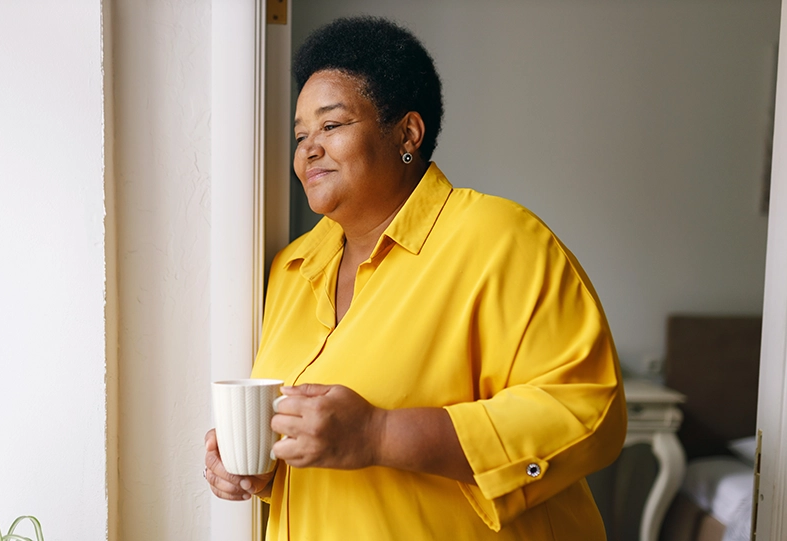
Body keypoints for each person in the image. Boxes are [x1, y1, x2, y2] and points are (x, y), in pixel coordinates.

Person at [204, 16, 626, 540]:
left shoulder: (498, 239)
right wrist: (265, 468)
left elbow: (588, 414)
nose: (309, 148)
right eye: (301, 134)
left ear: (407, 132)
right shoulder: (290, 269)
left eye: (331, 126)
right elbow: (326, 454)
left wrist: (382, 434)